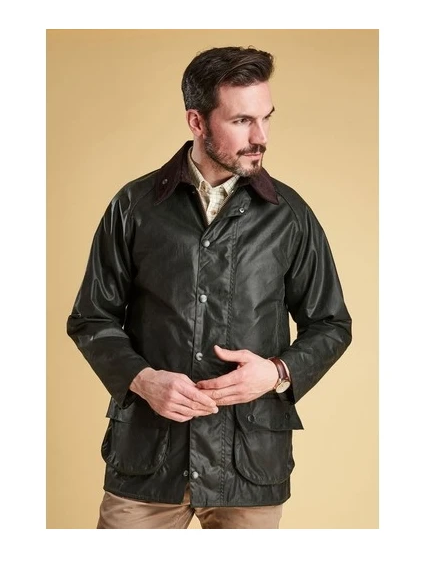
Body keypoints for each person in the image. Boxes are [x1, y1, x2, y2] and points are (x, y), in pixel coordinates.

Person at [67, 45, 352, 529]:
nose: (260, 137)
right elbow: (91, 318)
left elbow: (332, 324)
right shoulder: (135, 206)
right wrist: (142, 379)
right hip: (147, 461)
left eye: (266, 118)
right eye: (242, 121)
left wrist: (276, 372)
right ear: (197, 122)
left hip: (249, 464)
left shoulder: (290, 216)